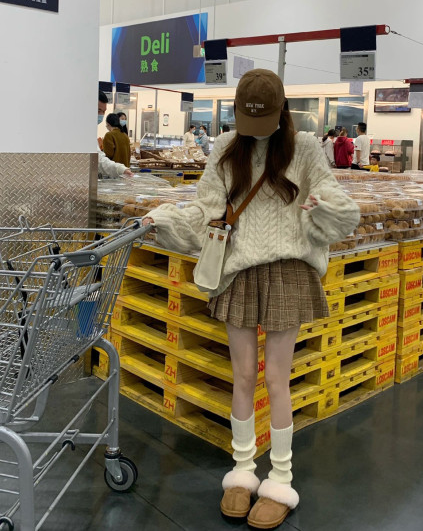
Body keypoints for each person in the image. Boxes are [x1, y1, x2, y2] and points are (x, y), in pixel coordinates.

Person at [142, 69, 359, 529]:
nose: (255, 131)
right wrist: (163, 219)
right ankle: (242, 471)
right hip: (238, 272)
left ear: (283, 112)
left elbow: (342, 212)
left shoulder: (304, 148)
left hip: (288, 271)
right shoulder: (225, 147)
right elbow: (205, 210)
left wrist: (323, 207)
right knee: (242, 376)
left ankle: (280, 478)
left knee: (277, 379)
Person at [98, 90, 133, 178]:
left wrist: (119, 169)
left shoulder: (109, 135)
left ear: (108, 123)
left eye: (103, 111)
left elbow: (106, 156)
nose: (101, 114)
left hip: (113, 174)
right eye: (99, 110)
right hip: (123, 170)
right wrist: (122, 169)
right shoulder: (125, 135)